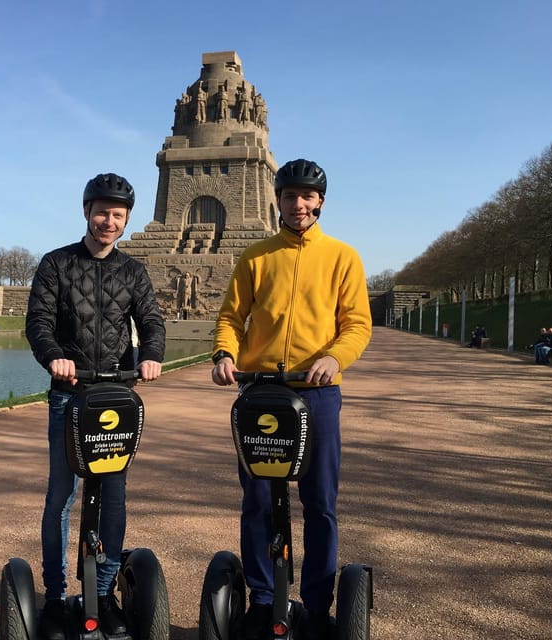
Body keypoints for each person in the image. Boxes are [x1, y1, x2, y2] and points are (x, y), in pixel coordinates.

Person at [211, 159, 372, 640]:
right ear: (277, 200)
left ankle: (318, 607)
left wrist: (335, 358)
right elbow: (231, 316)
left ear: (320, 201)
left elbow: (357, 325)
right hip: (260, 390)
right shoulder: (256, 256)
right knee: (258, 500)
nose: (298, 204)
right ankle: (263, 599)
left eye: (306, 196)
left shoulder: (342, 257)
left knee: (319, 502)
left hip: (317, 391)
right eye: (289, 196)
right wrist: (224, 353)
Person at [26, 172, 166, 640]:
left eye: (118, 215)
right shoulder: (57, 263)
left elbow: (151, 321)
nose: (109, 221)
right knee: (62, 496)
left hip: (115, 396)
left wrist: (150, 355)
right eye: (102, 212)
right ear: (87, 212)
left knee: (113, 496)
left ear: (126, 220)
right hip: (70, 392)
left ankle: (103, 594)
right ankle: (54, 596)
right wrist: (54, 356)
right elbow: (39, 322)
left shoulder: (133, 271)